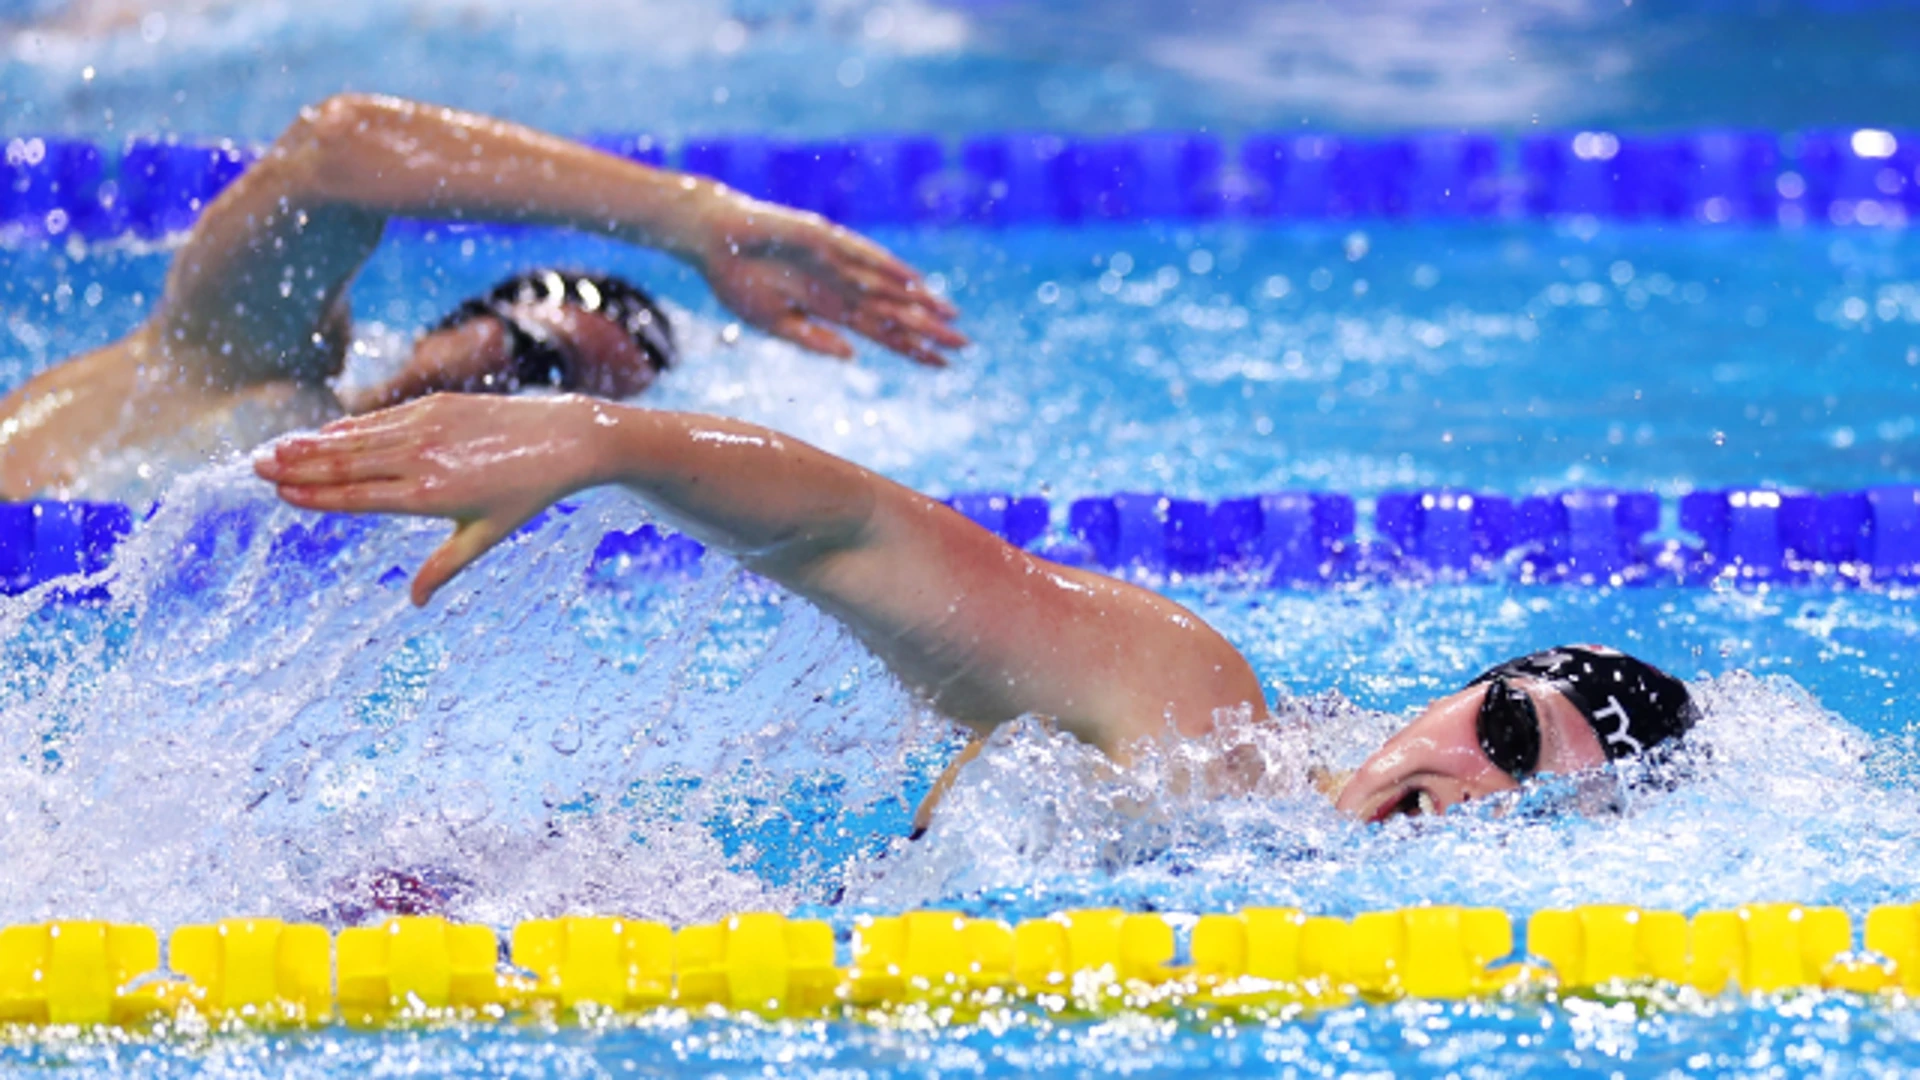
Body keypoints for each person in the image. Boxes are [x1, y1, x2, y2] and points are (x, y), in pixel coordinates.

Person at [254, 392, 1700, 828]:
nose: (1483, 784)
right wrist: (605, 442)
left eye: (1542, 798)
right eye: (1508, 724)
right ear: (1461, 688)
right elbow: (865, 531)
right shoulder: (1190, 717)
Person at [0, 93, 965, 500]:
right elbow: (336, 147)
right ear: (458, 327)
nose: (523, 398)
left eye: (568, 409)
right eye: (534, 356)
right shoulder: (248, 362)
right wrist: (685, 216)